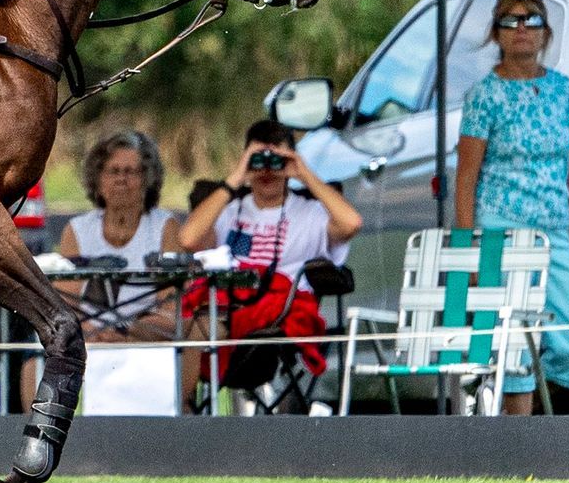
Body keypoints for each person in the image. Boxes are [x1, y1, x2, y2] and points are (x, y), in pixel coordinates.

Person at [454, 0, 569, 414]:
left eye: (531, 19)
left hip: (551, 226)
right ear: (495, 33)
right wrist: (468, 251)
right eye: (510, 20)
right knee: (513, 347)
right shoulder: (484, 94)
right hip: (500, 226)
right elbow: (465, 179)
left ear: (546, 32)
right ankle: (518, 443)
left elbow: (566, 156)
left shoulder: (561, 90)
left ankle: (516, 397)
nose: (521, 29)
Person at [179, 118, 363, 411]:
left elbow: (352, 222)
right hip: (224, 308)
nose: (267, 170)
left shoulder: (310, 212)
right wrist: (236, 178)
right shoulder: (229, 209)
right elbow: (188, 239)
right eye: (258, 160)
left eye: (275, 160)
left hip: (276, 316)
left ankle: (179, 416)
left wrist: (305, 175)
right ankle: (180, 412)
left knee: (195, 325)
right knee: (184, 325)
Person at [48, 130, 182, 416]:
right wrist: (97, 334)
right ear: (98, 180)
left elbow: (171, 310)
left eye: (132, 171)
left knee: (187, 342)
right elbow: (66, 307)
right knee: (32, 363)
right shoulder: (77, 230)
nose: (122, 179)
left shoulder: (164, 227)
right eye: (113, 171)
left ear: (147, 180)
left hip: (148, 333)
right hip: (90, 337)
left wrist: (125, 331)